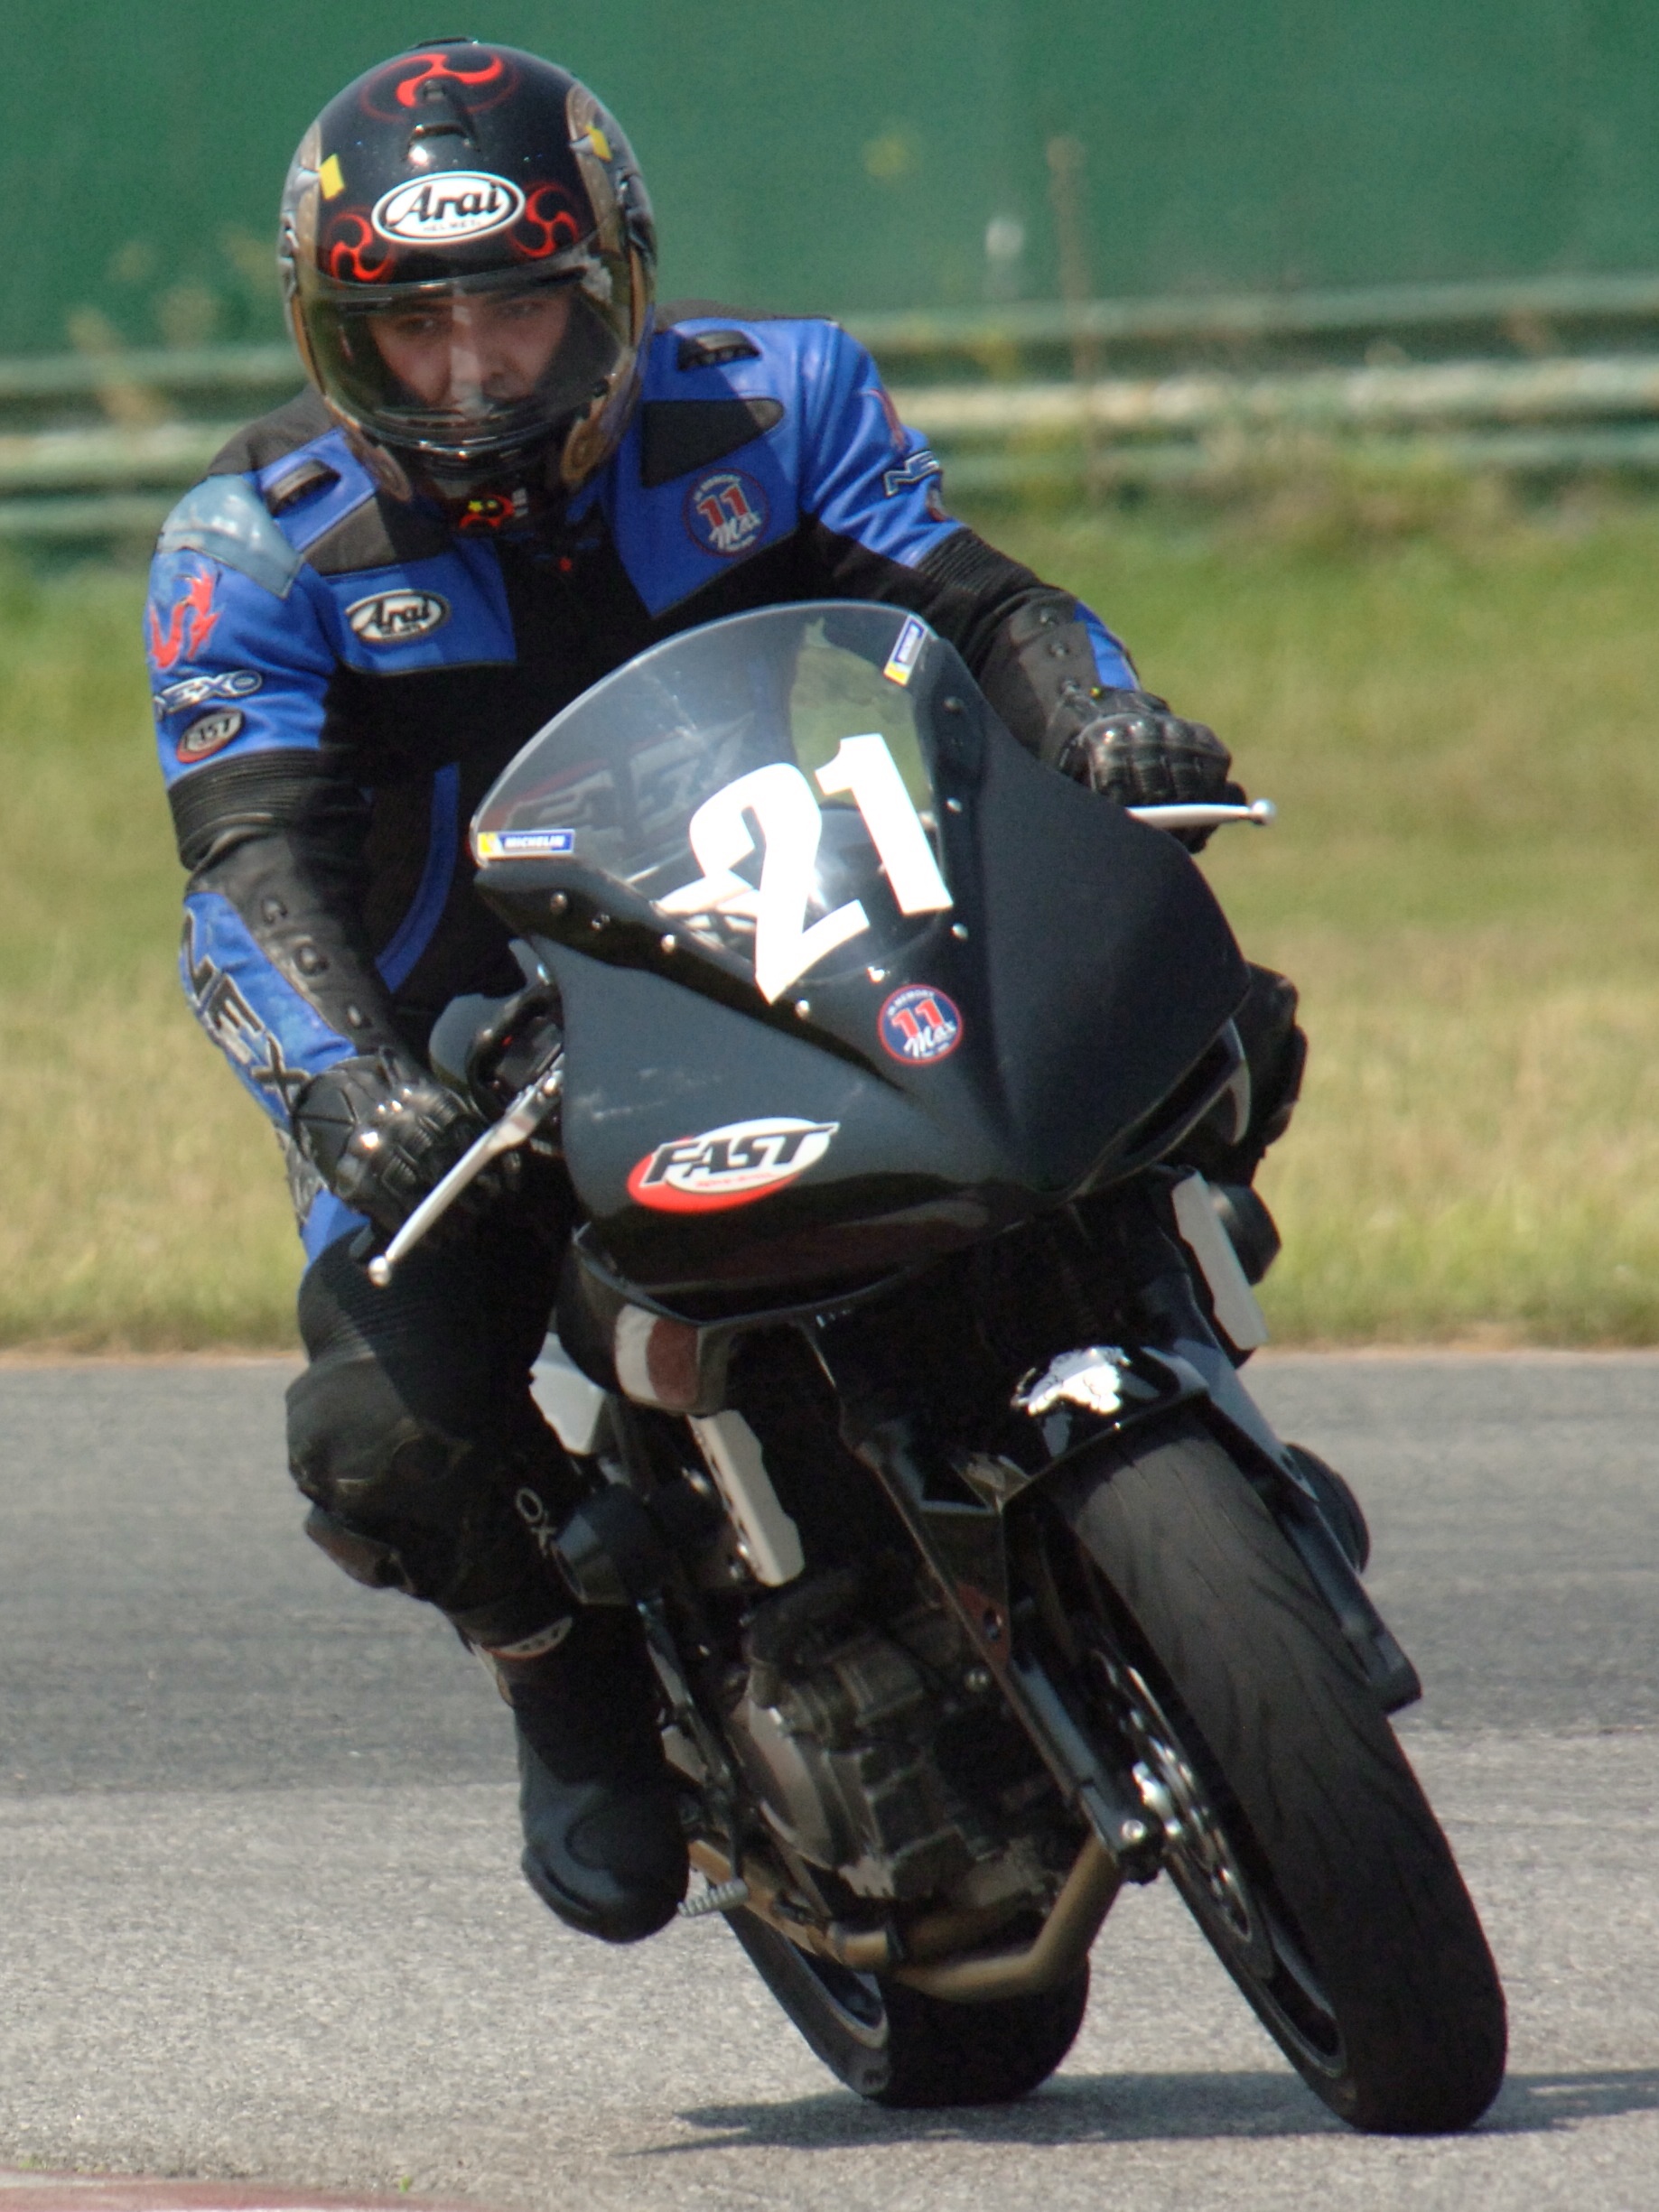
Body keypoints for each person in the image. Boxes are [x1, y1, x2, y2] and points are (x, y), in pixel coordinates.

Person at [146, 40, 1302, 1947]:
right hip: (477, 1054)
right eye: (413, 329)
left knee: (1212, 1013)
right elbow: (244, 864)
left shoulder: (778, 398)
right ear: (336, 339)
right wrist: (351, 1085)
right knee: (385, 1431)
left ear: (612, 287)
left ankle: (1175, 1371)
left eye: (517, 311)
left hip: (817, 921)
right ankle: (571, 1690)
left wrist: (1103, 718)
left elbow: (985, 605)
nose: (470, 372)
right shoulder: (253, 538)